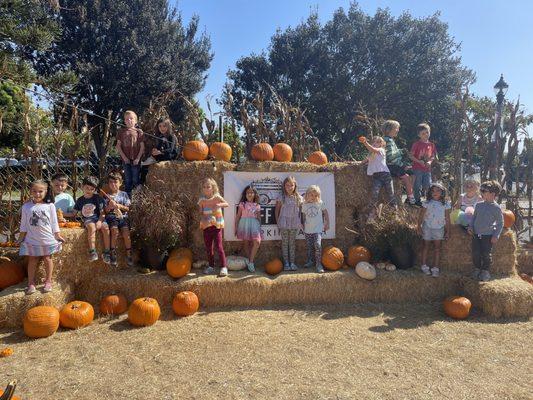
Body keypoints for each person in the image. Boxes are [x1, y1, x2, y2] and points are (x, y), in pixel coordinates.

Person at [18, 180, 65, 294]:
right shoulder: (26, 207)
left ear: (46, 191)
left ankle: (48, 281)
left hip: (46, 239)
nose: (37, 194)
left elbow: (54, 222)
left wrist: (57, 235)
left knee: (47, 259)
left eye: (40, 191)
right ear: (30, 191)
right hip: (32, 239)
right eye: (34, 191)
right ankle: (31, 283)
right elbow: (23, 224)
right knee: (32, 259)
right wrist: (21, 237)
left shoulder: (50, 206)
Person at [68, 176, 111, 263]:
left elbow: (102, 213)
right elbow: (73, 213)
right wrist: (60, 214)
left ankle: (106, 252)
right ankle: (93, 251)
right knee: (92, 227)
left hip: (98, 218)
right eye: (87, 188)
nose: (89, 190)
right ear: (82, 186)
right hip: (88, 219)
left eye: (92, 189)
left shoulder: (98, 198)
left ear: (94, 190)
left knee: (105, 228)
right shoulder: (80, 200)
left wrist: (99, 221)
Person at [468, 180, 504, 282]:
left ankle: (485, 271)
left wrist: (496, 235)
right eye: (482, 190)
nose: (482, 192)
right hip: (476, 234)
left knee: (486, 254)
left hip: (487, 235)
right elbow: (474, 218)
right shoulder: (479, 205)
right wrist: (470, 227)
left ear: (493, 194)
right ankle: (477, 268)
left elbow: (500, 223)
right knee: (475, 253)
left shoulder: (496, 208)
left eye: (484, 191)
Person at [417, 183, 451, 278]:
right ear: (430, 192)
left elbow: (447, 219)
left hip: (439, 227)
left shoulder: (445, 204)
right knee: (425, 246)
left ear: (442, 192)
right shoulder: (427, 203)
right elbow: (421, 215)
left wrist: (448, 231)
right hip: (427, 226)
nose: (435, 192)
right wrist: (418, 226)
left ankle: (435, 268)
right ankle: (424, 265)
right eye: (433, 191)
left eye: (438, 190)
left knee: (437, 248)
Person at [359, 135, 396, 222]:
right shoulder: (370, 155)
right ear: (373, 143)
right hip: (376, 176)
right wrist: (355, 164)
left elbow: (373, 149)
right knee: (374, 194)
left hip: (385, 175)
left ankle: (395, 214)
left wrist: (365, 142)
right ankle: (372, 214)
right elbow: (364, 161)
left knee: (390, 194)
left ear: (382, 144)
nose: (377, 143)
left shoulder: (381, 150)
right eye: (375, 142)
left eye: (379, 142)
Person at [198, 178, 229, 276]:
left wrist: (218, 205)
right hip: (207, 226)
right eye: (204, 187)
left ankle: (224, 267)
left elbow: (226, 204)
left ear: (213, 188)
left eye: (208, 187)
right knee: (208, 248)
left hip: (216, 226)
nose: (206, 188)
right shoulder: (201, 200)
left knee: (219, 247)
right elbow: (201, 212)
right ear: (202, 189)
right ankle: (211, 266)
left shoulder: (217, 197)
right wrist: (205, 216)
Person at [382, 120, 416, 205]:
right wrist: (402, 165)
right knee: (407, 177)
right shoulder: (387, 141)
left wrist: (401, 151)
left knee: (413, 173)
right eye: (396, 128)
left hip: (395, 164)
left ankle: (409, 195)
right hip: (392, 166)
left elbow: (394, 153)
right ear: (389, 129)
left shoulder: (390, 140)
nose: (398, 130)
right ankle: (411, 198)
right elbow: (390, 157)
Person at [103, 172, 133, 268]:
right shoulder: (106, 196)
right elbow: (105, 211)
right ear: (108, 184)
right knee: (114, 231)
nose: (113, 184)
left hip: (123, 217)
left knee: (126, 233)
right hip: (112, 217)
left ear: (120, 183)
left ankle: (129, 254)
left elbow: (128, 208)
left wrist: (119, 206)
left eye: (115, 182)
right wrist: (109, 206)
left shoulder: (124, 195)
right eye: (110, 182)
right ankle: (113, 253)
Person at [275, 176, 302, 271]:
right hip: (283, 222)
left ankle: (292, 263)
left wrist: (302, 221)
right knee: (285, 243)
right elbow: (277, 210)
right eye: (287, 185)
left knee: (292, 243)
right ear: (284, 186)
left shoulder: (298, 197)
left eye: (292, 185)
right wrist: (278, 221)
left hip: (294, 222)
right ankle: (286, 263)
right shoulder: (281, 197)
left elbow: (301, 211)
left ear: (295, 186)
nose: (289, 187)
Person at [140, 117, 178, 183]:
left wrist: (160, 152)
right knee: (144, 165)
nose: (162, 128)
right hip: (160, 155)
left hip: (169, 156)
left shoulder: (171, 136)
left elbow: (171, 149)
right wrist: (155, 150)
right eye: (160, 126)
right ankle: (142, 183)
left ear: (168, 126)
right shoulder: (159, 136)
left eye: (164, 126)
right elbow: (158, 147)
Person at [301, 185, 329, 273]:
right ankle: (310, 261)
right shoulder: (304, 205)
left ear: (318, 196)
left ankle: (318, 264)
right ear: (307, 195)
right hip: (308, 230)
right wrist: (302, 224)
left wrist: (327, 223)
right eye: (311, 195)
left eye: (316, 195)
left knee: (317, 245)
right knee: (309, 247)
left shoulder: (320, 203)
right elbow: (303, 216)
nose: (313, 197)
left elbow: (326, 213)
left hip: (318, 229)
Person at [116, 110, 144, 195]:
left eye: (131, 119)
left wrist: (138, 158)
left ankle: (138, 197)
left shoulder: (139, 132)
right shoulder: (121, 131)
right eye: (127, 119)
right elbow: (118, 146)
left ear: (135, 121)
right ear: (124, 121)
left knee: (135, 179)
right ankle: (128, 199)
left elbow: (142, 146)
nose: (129, 121)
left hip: (135, 159)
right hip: (125, 160)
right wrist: (124, 157)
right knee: (128, 179)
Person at [234, 185, 262, 272]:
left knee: (257, 242)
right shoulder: (242, 204)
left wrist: (259, 220)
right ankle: (250, 262)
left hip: (254, 224)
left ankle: (250, 261)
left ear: (254, 194)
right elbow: (238, 216)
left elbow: (259, 217)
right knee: (245, 243)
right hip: (244, 224)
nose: (249, 194)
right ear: (245, 194)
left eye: (251, 192)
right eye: (248, 192)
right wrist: (236, 227)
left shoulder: (257, 205)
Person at [410, 123, 437, 206]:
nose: (426, 135)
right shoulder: (416, 144)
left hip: (427, 169)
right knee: (417, 185)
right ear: (419, 135)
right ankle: (417, 201)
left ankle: (429, 200)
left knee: (428, 185)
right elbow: (411, 156)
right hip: (417, 168)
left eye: (427, 132)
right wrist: (418, 161)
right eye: (423, 133)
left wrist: (430, 162)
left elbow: (433, 156)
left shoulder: (431, 145)